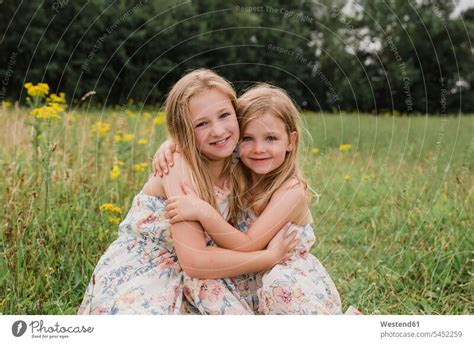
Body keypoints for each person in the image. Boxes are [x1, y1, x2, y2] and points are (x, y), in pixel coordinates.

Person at [78, 70, 298, 315]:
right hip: (150, 267)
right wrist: (268, 258)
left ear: (237, 116)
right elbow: (194, 261)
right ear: (184, 131)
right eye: (201, 123)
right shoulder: (177, 166)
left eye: (224, 115)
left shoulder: (240, 155)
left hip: (204, 270)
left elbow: (273, 152)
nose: (218, 131)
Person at [161, 84, 361, 314]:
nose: (259, 149)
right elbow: (199, 146)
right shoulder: (238, 174)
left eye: (271, 138)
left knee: (278, 288)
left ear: (291, 142)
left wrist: (204, 212)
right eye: (247, 138)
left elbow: (248, 243)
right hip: (249, 276)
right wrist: (170, 145)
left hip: (285, 278)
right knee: (202, 289)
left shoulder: (292, 192)